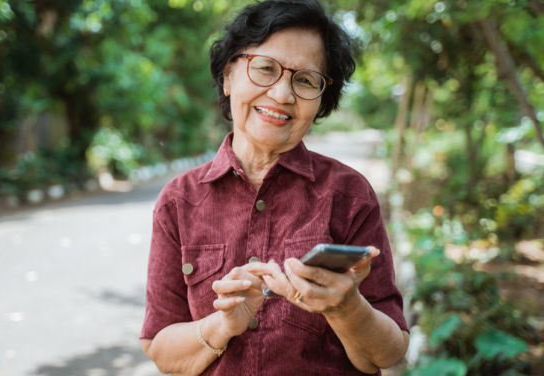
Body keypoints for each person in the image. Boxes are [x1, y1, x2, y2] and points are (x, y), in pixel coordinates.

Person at [140, 0, 409, 374]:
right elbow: (162, 350)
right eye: (265, 68)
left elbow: (388, 354)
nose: (282, 95)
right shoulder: (178, 200)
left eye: (305, 80)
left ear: (321, 101)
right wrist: (221, 325)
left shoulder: (349, 195)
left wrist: (346, 307)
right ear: (228, 75)